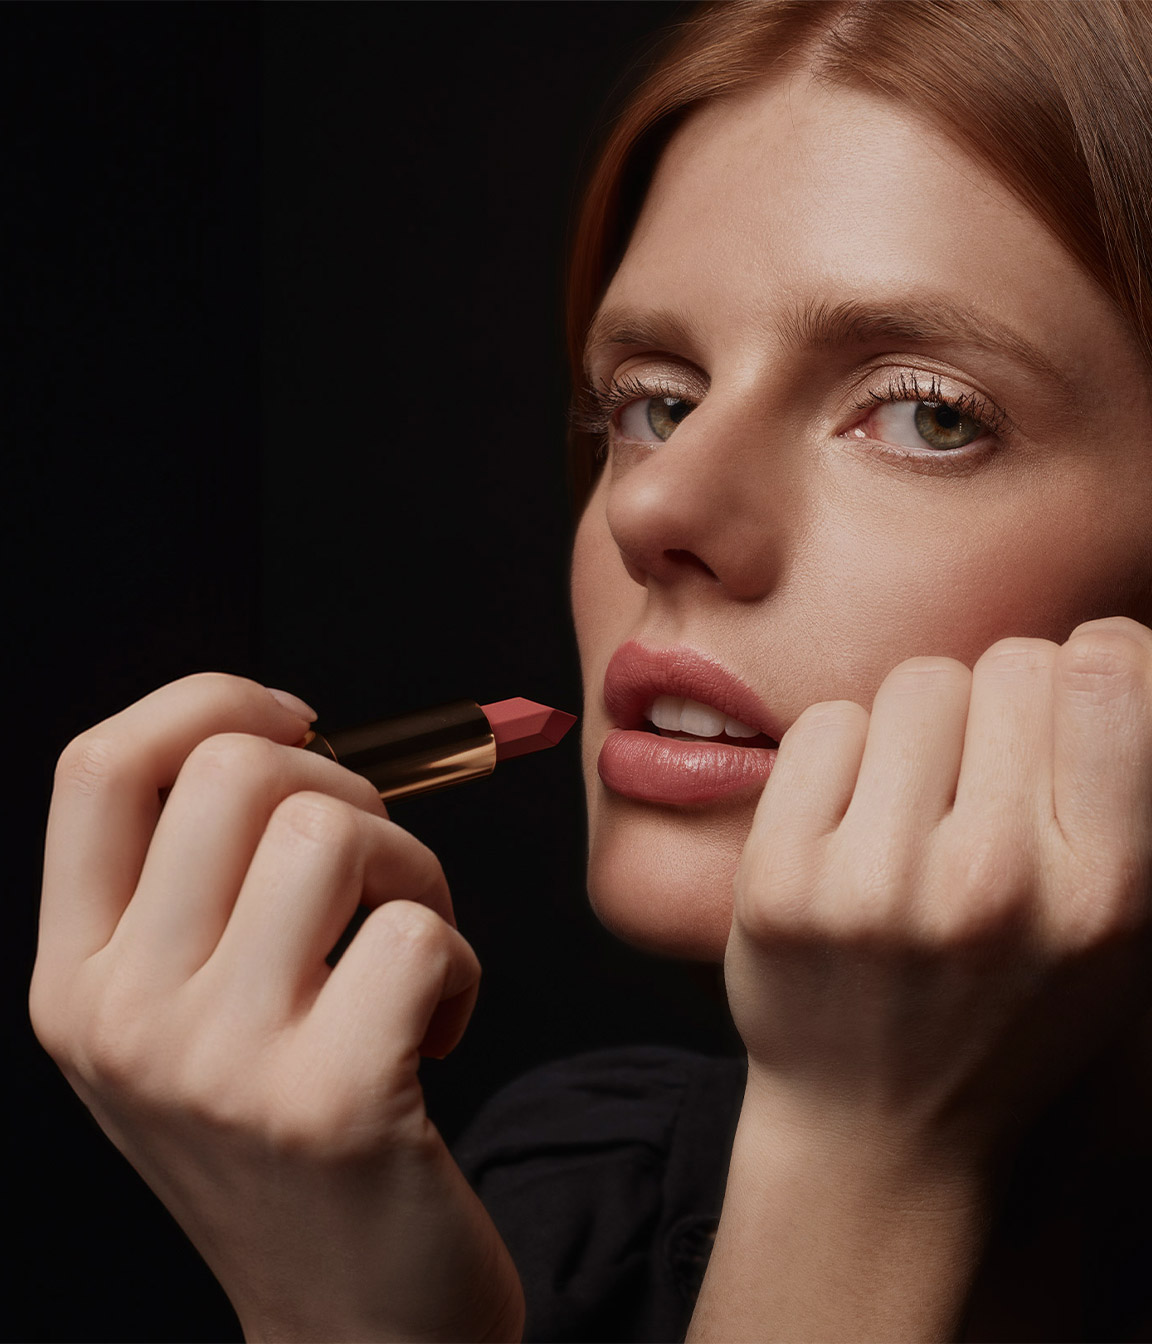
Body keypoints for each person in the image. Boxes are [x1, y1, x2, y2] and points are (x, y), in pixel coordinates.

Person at [30, 0, 1152, 1339]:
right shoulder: (566, 1211)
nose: (648, 505)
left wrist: (860, 1144)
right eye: (656, 402)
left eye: (927, 414)